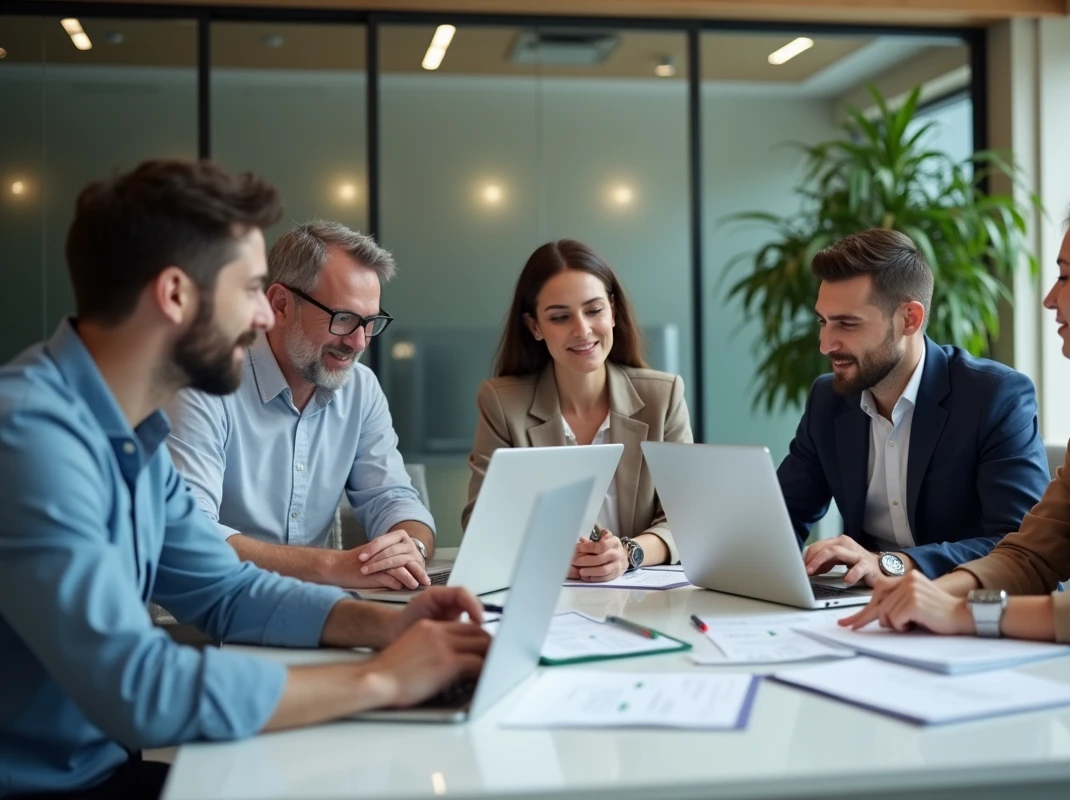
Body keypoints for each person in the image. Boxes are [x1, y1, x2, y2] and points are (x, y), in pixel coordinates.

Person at [0, 160, 490, 799]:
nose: (265, 315)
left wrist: (389, 627)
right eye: (253, 288)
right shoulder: (28, 437)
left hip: (101, 768)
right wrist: (383, 680)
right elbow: (139, 687)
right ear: (176, 294)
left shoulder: (131, 433)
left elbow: (226, 591)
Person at [842, 188, 1070, 656]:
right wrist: (933, 592)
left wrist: (966, 613)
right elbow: (1029, 556)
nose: (1050, 299)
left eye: (1065, 276)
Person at [167, 221, 435, 592]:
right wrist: (331, 566)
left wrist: (410, 547)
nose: (359, 342)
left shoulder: (361, 388)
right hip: (211, 612)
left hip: (315, 609)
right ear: (280, 304)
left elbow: (392, 497)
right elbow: (190, 531)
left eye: (370, 322)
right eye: (343, 319)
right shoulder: (203, 385)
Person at [777, 228, 1050, 586]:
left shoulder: (995, 396)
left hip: (977, 612)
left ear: (910, 319)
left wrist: (895, 563)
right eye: (823, 322)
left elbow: (1020, 545)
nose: (826, 344)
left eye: (847, 323)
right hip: (874, 612)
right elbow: (782, 517)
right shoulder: (828, 401)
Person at [464, 239, 692, 580]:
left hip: (641, 597)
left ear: (613, 312)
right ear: (534, 327)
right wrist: (554, 553)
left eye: (594, 310)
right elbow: (482, 521)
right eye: (560, 316)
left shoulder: (663, 396)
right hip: (549, 594)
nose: (582, 329)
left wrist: (630, 553)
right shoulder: (501, 402)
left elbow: (687, 517)